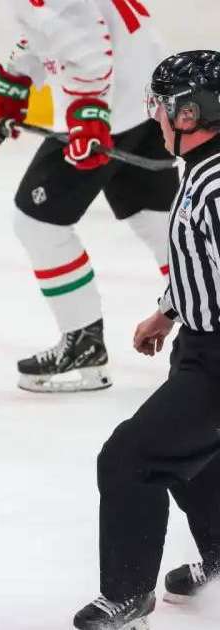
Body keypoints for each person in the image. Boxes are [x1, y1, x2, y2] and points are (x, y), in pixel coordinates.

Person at [72, 50, 220, 630]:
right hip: (199, 347)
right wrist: (169, 311)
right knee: (197, 460)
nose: (154, 116)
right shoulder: (203, 169)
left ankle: (127, 597)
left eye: (160, 106)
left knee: (131, 458)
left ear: (188, 113)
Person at [0, 0, 176, 393]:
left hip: (109, 111)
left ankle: (83, 342)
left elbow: (85, 40)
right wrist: (13, 81)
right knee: (160, 223)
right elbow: (51, 29)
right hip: (148, 102)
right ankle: (214, 326)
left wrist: (88, 113)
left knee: (37, 223)